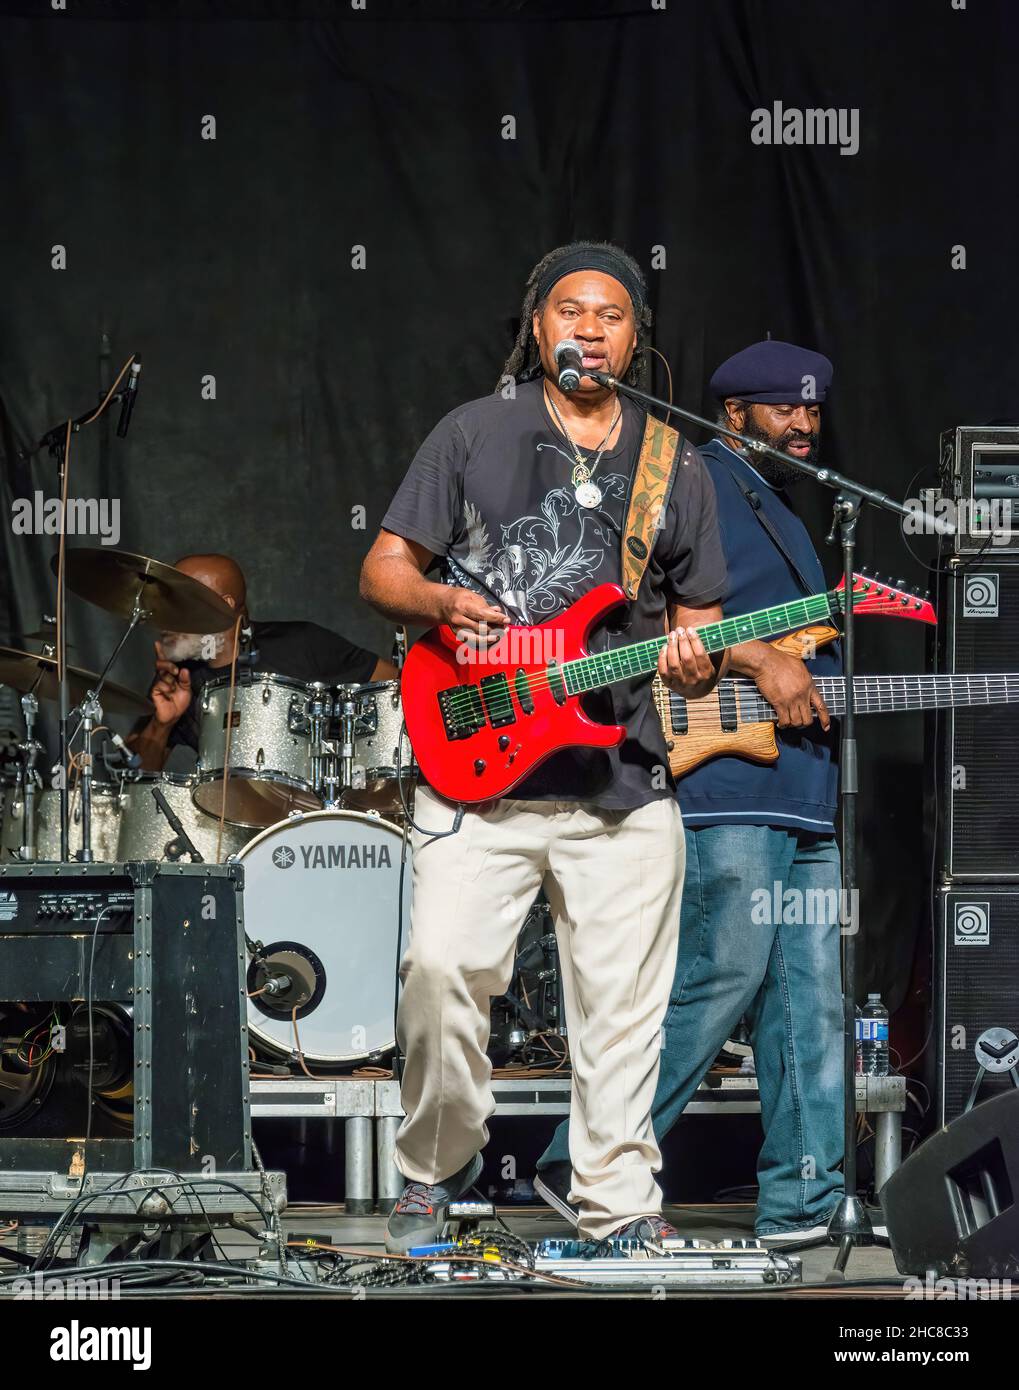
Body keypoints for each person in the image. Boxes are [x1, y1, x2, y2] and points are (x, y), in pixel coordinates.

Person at [360, 241, 729, 1252]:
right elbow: (382, 568)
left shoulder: (672, 459)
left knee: (619, 1014)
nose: (587, 329)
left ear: (631, 337)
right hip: (477, 770)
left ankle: (616, 1207)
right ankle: (436, 1165)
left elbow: (694, 617)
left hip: (619, 779)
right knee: (438, 968)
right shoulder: (472, 432)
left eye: (608, 316)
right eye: (569, 310)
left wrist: (696, 663)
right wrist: (441, 599)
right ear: (537, 324)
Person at [535, 339, 846, 1241]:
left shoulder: (789, 512)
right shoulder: (692, 479)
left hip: (802, 784)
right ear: (733, 413)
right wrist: (755, 656)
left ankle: (804, 1200)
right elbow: (640, 609)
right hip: (725, 775)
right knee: (720, 977)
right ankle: (575, 1161)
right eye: (781, 409)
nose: (802, 424)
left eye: (812, 412)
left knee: (810, 1003)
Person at [129, 553, 395, 770]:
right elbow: (136, 775)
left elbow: (397, 689)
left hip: (314, 820)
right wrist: (160, 724)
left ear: (224, 604)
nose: (167, 612)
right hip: (223, 821)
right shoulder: (178, 676)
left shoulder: (301, 643)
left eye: (180, 600)